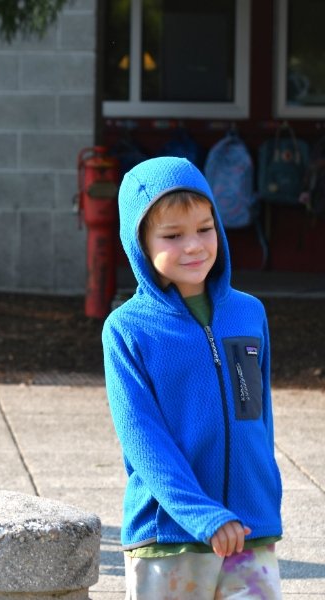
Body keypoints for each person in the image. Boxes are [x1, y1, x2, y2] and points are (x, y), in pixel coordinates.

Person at [103, 157, 283, 598]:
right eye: (172, 235)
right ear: (140, 242)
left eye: (204, 229)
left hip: (250, 527)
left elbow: (257, 416)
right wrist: (201, 514)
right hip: (171, 538)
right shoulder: (128, 329)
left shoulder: (249, 313)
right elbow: (143, 438)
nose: (194, 246)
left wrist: (264, 500)